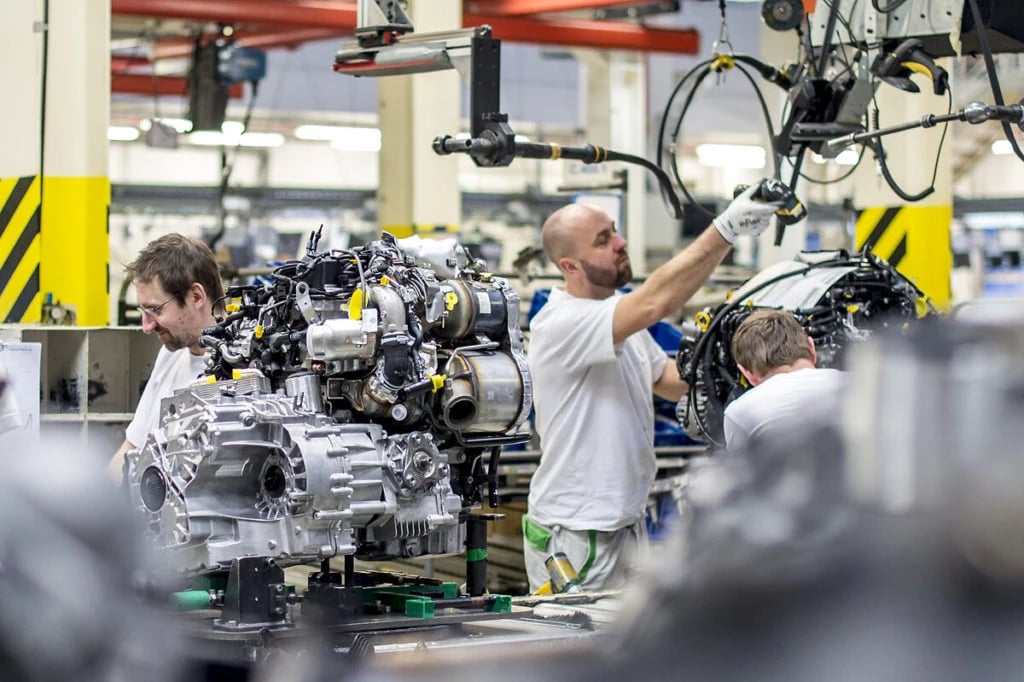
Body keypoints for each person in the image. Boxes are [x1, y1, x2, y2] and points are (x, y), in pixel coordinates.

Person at [524, 184, 784, 592]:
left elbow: (668, 380)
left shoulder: (611, 315)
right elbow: (654, 303)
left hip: (624, 522)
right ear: (570, 266)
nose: (621, 242)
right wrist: (727, 229)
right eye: (603, 240)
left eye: (615, 230)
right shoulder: (562, 323)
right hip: (576, 532)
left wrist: (754, 377)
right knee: (580, 632)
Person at [106, 234, 224, 481]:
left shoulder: (246, 370)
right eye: (143, 311)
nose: (146, 327)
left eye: (155, 310)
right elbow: (131, 449)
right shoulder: (172, 355)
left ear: (196, 296)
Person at [723, 309, 846, 453]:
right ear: (812, 348)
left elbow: (742, 466)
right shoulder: (859, 383)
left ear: (746, 373)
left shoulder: (740, 414)